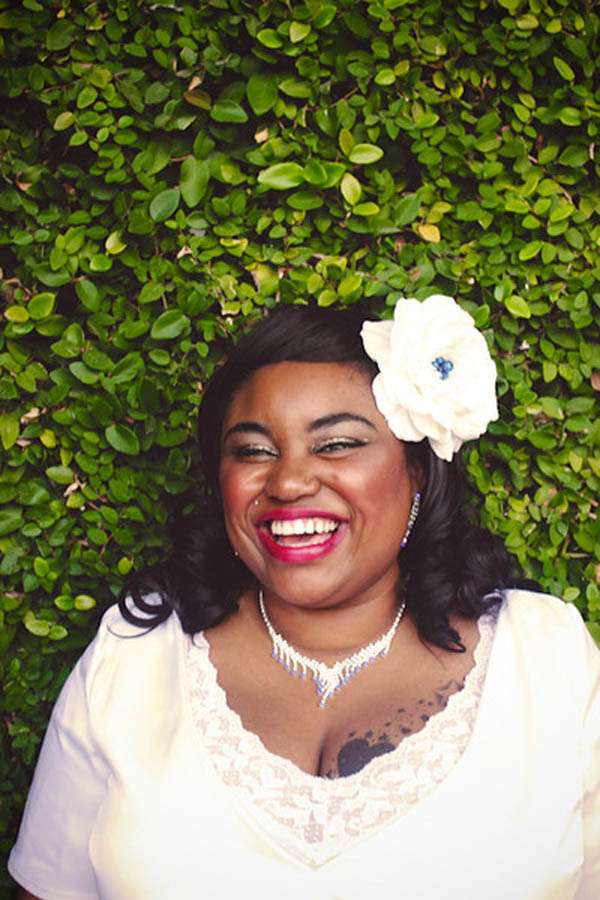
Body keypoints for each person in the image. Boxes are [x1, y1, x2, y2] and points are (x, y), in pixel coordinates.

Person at [9, 296, 600, 899]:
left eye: (336, 444)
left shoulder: (545, 657)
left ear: (417, 470)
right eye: (253, 451)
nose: (289, 481)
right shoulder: (134, 655)